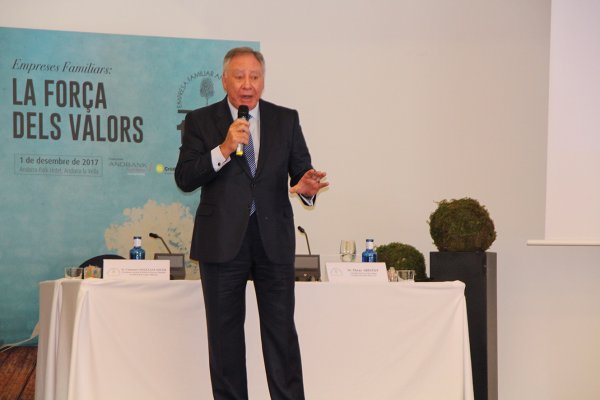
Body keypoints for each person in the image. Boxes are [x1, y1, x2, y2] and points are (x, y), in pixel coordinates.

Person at [175, 47, 328, 400]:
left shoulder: (285, 119)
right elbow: (185, 177)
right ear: (224, 80)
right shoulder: (200, 120)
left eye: (255, 77)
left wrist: (306, 187)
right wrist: (224, 149)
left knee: (281, 336)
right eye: (240, 76)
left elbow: (301, 170)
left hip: (273, 239)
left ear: (263, 80)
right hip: (221, 241)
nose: (248, 84)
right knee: (224, 339)